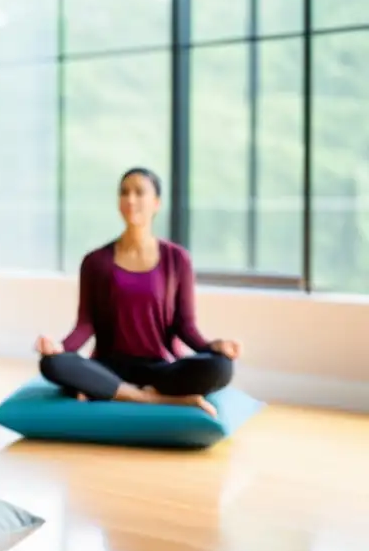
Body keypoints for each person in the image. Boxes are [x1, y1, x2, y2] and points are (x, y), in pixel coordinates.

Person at [35, 167, 241, 416]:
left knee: (221, 367)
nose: (130, 199)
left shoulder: (177, 259)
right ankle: (149, 398)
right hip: (109, 367)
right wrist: (59, 347)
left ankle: (112, 394)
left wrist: (212, 346)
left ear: (156, 203)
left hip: (160, 368)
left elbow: (185, 327)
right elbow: (85, 325)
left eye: (139, 192)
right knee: (52, 364)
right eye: (124, 192)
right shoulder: (95, 261)